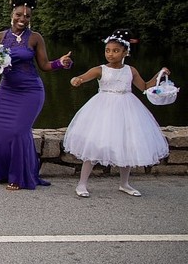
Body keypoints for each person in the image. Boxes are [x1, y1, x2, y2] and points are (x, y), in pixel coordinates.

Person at [64, 30, 170, 197]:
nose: (110, 54)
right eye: (108, 50)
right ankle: (82, 183)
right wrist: (76, 80)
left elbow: (144, 87)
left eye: (115, 50)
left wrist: (159, 74)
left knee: (126, 144)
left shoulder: (131, 70)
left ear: (125, 52)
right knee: (94, 144)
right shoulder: (100, 69)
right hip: (103, 108)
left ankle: (125, 183)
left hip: (127, 108)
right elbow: (80, 77)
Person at [0, 0, 73, 190]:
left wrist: (61, 63)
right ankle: (2, 173)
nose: (22, 19)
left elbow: (44, 65)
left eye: (27, 16)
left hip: (30, 91)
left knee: (19, 132)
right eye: (19, 15)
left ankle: (19, 177)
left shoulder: (35, 38)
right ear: (12, 14)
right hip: (6, 90)